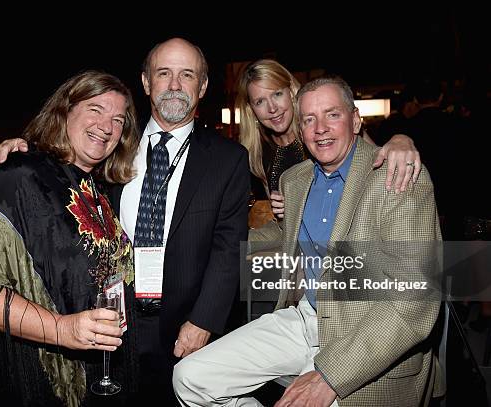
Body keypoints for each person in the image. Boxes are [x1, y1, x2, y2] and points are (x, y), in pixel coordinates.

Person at [0, 38, 250, 404]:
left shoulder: (228, 158)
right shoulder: (112, 145)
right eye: (163, 73)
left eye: (187, 75)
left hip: (183, 325)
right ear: (145, 82)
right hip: (105, 320)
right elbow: (61, 172)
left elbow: (228, 245)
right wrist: (23, 146)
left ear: (202, 86)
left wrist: (204, 320)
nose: (174, 85)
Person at [173, 75, 443, 406]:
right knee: (190, 378)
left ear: (355, 120)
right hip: (303, 318)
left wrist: (331, 375)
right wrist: (215, 244)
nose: (320, 129)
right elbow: (285, 232)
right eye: (309, 120)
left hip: (364, 331)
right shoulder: (295, 180)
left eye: (332, 114)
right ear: (300, 131)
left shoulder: (396, 177)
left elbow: (413, 302)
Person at [0, 70, 139, 406]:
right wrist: (61, 330)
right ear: (65, 111)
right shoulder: (19, 176)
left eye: (118, 119)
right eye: (95, 109)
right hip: (44, 378)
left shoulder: (100, 190)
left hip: (103, 367)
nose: (107, 126)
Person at [236, 59, 422, 222]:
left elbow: (377, 162)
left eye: (277, 94)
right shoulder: (257, 153)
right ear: (251, 109)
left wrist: (400, 140)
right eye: (260, 101)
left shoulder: (322, 133)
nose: (272, 108)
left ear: (291, 92)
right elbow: (284, 224)